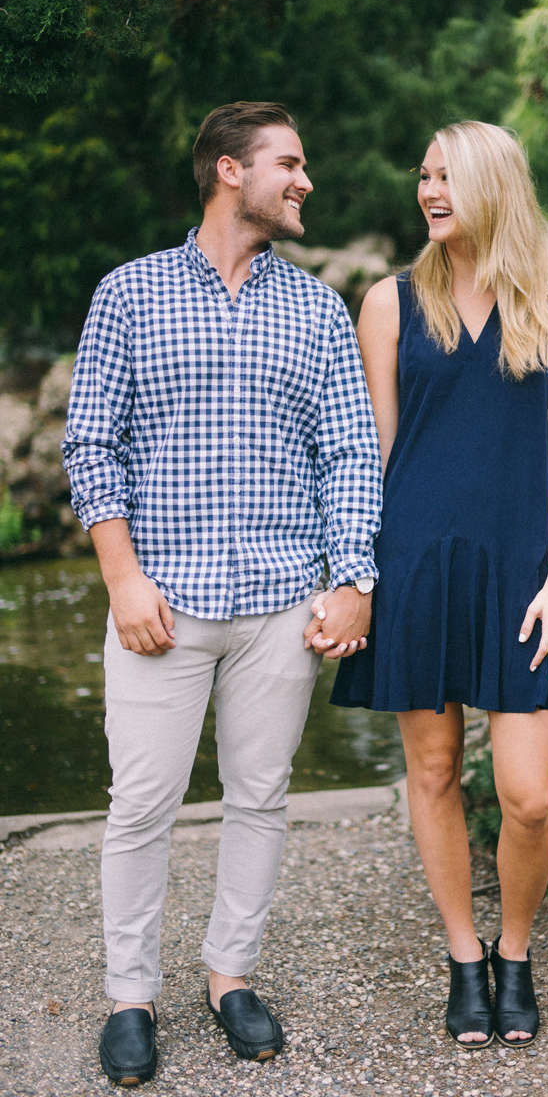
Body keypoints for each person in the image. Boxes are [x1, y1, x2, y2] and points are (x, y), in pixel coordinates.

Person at [62, 101, 382, 1087]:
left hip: (281, 604)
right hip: (160, 602)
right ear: (227, 174)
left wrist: (352, 579)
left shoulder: (318, 307)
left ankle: (230, 976)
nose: (305, 182)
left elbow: (349, 455)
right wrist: (120, 580)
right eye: (288, 163)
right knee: (142, 804)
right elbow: (89, 444)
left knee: (260, 796)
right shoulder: (129, 294)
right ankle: (129, 996)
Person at [330, 121, 548, 1050]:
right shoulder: (390, 302)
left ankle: (515, 952)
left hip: (524, 567)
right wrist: (358, 579)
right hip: (418, 562)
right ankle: (463, 958)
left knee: (528, 796)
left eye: (447, 177)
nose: (428, 191)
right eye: (424, 176)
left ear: (494, 185)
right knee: (435, 771)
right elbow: (377, 457)